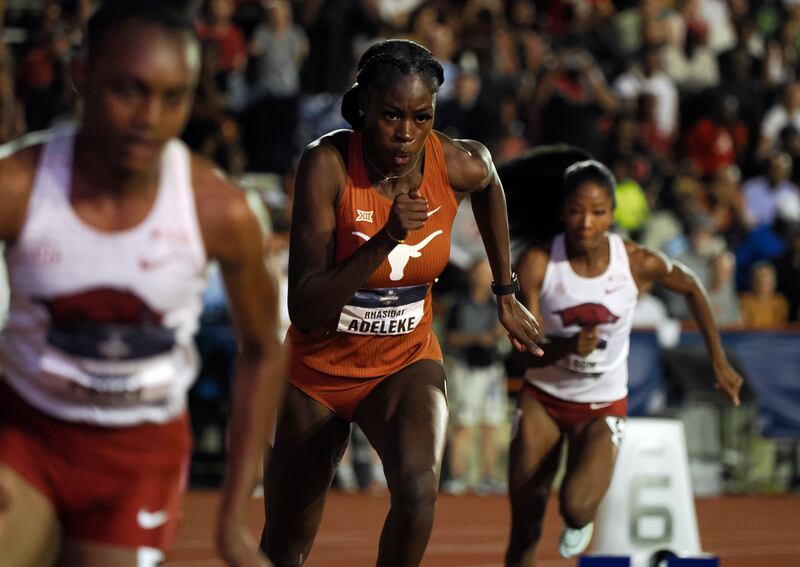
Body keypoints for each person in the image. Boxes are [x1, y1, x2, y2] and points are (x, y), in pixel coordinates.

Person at [0, 1, 284, 566]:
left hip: (139, 459)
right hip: (28, 436)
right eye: (128, 90)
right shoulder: (16, 187)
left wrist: (233, 517)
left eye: (172, 97)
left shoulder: (220, 212)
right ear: (82, 75)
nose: (148, 117)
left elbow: (263, 352)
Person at [260, 39, 542, 567]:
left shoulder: (451, 162)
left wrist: (505, 291)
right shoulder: (328, 165)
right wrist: (386, 238)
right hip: (317, 373)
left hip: (403, 364)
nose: (407, 133)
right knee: (284, 544)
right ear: (363, 105)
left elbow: (489, 177)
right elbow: (307, 308)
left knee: (417, 491)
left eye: (422, 117)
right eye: (391, 115)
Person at [504, 160, 743, 565]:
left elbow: (693, 288)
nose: (586, 223)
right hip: (544, 396)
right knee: (525, 522)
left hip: (602, 404)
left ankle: (581, 520)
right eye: (577, 211)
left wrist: (718, 359)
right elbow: (522, 356)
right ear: (564, 211)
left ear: (612, 214)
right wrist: (566, 348)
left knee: (576, 508)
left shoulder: (635, 262)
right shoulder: (539, 263)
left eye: (598, 213)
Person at [442, 258, 509, 495]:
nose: (483, 277)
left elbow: (504, 334)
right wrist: (478, 338)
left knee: (492, 424)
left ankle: (488, 477)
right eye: (480, 272)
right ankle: (457, 477)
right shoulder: (458, 304)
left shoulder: (498, 305)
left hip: (491, 370)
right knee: (464, 424)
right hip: (465, 369)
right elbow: (450, 337)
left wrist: (497, 336)